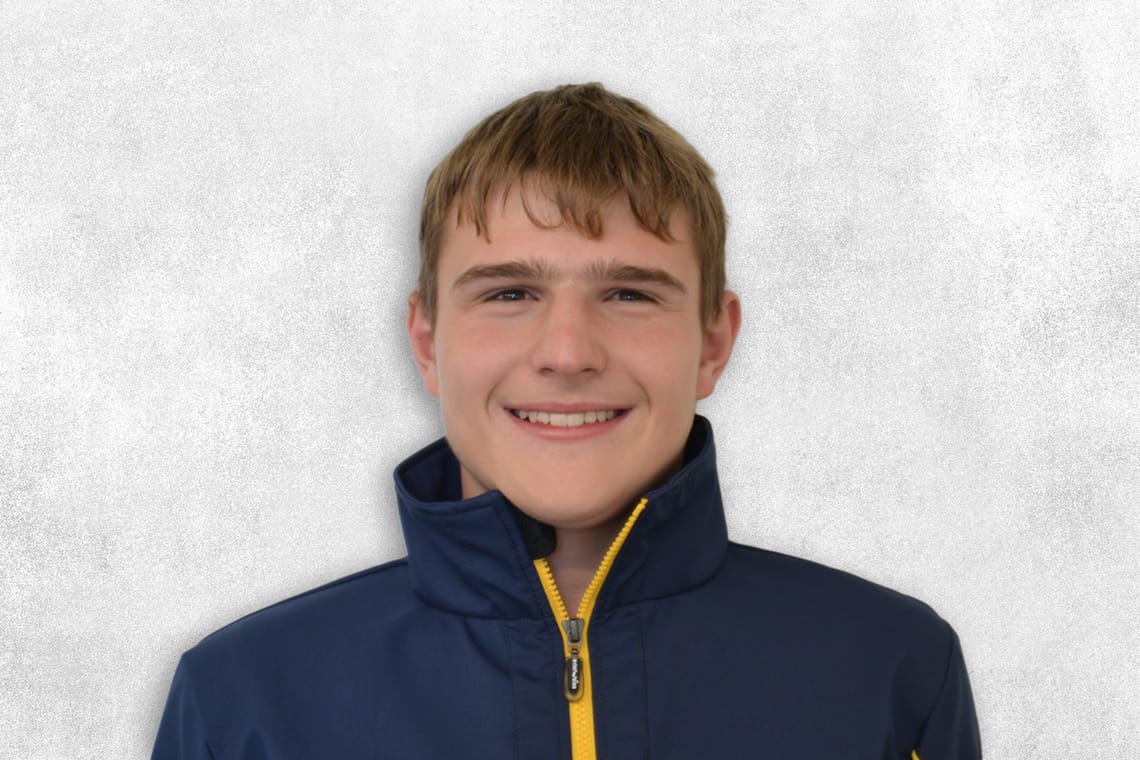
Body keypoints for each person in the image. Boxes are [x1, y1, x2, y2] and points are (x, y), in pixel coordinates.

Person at [151, 83, 981, 759]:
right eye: (511, 292)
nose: (568, 351)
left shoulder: (889, 669)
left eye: (629, 293)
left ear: (712, 343)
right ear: (428, 343)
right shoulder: (244, 700)